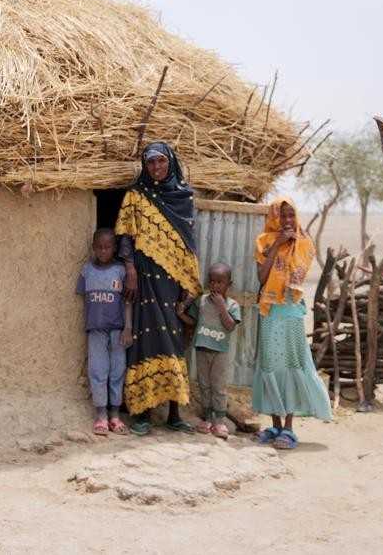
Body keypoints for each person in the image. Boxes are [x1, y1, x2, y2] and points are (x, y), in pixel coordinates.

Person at [115, 141, 202, 436]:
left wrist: (190, 282)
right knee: (145, 341)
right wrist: (129, 269)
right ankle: (143, 414)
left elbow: (189, 245)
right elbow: (125, 236)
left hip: (172, 284)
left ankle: (175, 413)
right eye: (151, 162)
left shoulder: (184, 197)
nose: (156, 168)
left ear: (171, 162)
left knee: (173, 343)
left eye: (161, 162)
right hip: (144, 278)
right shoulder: (135, 196)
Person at [251, 196, 332, 450]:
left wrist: (291, 242)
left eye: (290, 215)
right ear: (274, 217)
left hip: (291, 312)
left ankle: (288, 428)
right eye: (281, 215)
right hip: (269, 311)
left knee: (291, 365)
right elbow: (262, 278)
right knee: (270, 366)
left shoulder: (304, 244)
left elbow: (297, 277)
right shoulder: (263, 241)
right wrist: (277, 244)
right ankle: (274, 425)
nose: (286, 220)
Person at [76, 228, 131, 435]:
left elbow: (128, 301)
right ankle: (101, 415)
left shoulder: (120, 271)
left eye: (108, 247)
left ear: (114, 248)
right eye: (99, 247)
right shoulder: (87, 270)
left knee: (117, 371)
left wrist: (128, 327)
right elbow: (82, 297)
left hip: (118, 329)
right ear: (93, 248)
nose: (103, 251)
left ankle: (115, 415)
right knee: (98, 371)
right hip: (96, 329)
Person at [177, 262, 241, 439]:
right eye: (212, 281)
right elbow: (193, 322)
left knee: (218, 386)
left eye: (220, 282)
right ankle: (207, 417)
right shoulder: (202, 301)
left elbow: (230, 326)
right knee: (204, 385)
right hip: (202, 349)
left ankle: (219, 421)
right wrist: (181, 314)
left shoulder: (232, 305)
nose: (215, 285)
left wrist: (221, 306)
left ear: (229, 284)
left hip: (220, 351)